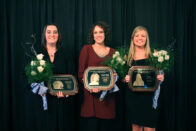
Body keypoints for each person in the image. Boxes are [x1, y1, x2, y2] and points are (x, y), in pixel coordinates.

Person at [23, 24, 76, 131]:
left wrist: (67, 92)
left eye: (55, 32)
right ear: (44, 35)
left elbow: (72, 76)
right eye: (49, 32)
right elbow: (25, 76)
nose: (52, 34)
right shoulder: (36, 53)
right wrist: (37, 89)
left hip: (61, 103)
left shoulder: (66, 54)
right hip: (41, 102)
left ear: (58, 35)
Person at [78, 21, 116, 131]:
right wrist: (90, 87)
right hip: (91, 100)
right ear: (92, 35)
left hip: (107, 101)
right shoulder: (86, 49)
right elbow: (81, 74)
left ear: (105, 34)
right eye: (96, 32)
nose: (98, 35)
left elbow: (117, 75)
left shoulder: (113, 52)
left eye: (101, 32)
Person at [125, 26, 164, 131]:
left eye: (143, 36)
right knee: (136, 128)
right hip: (133, 98)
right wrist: (125, 78)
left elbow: (160, 72)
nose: (140, 38)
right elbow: (121, 78)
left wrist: (162, 76)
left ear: (147, 39)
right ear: (133, 38)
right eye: (137, 35)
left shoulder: (154, 55)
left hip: (149, 98)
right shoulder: (127, 57)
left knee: (149, 128)